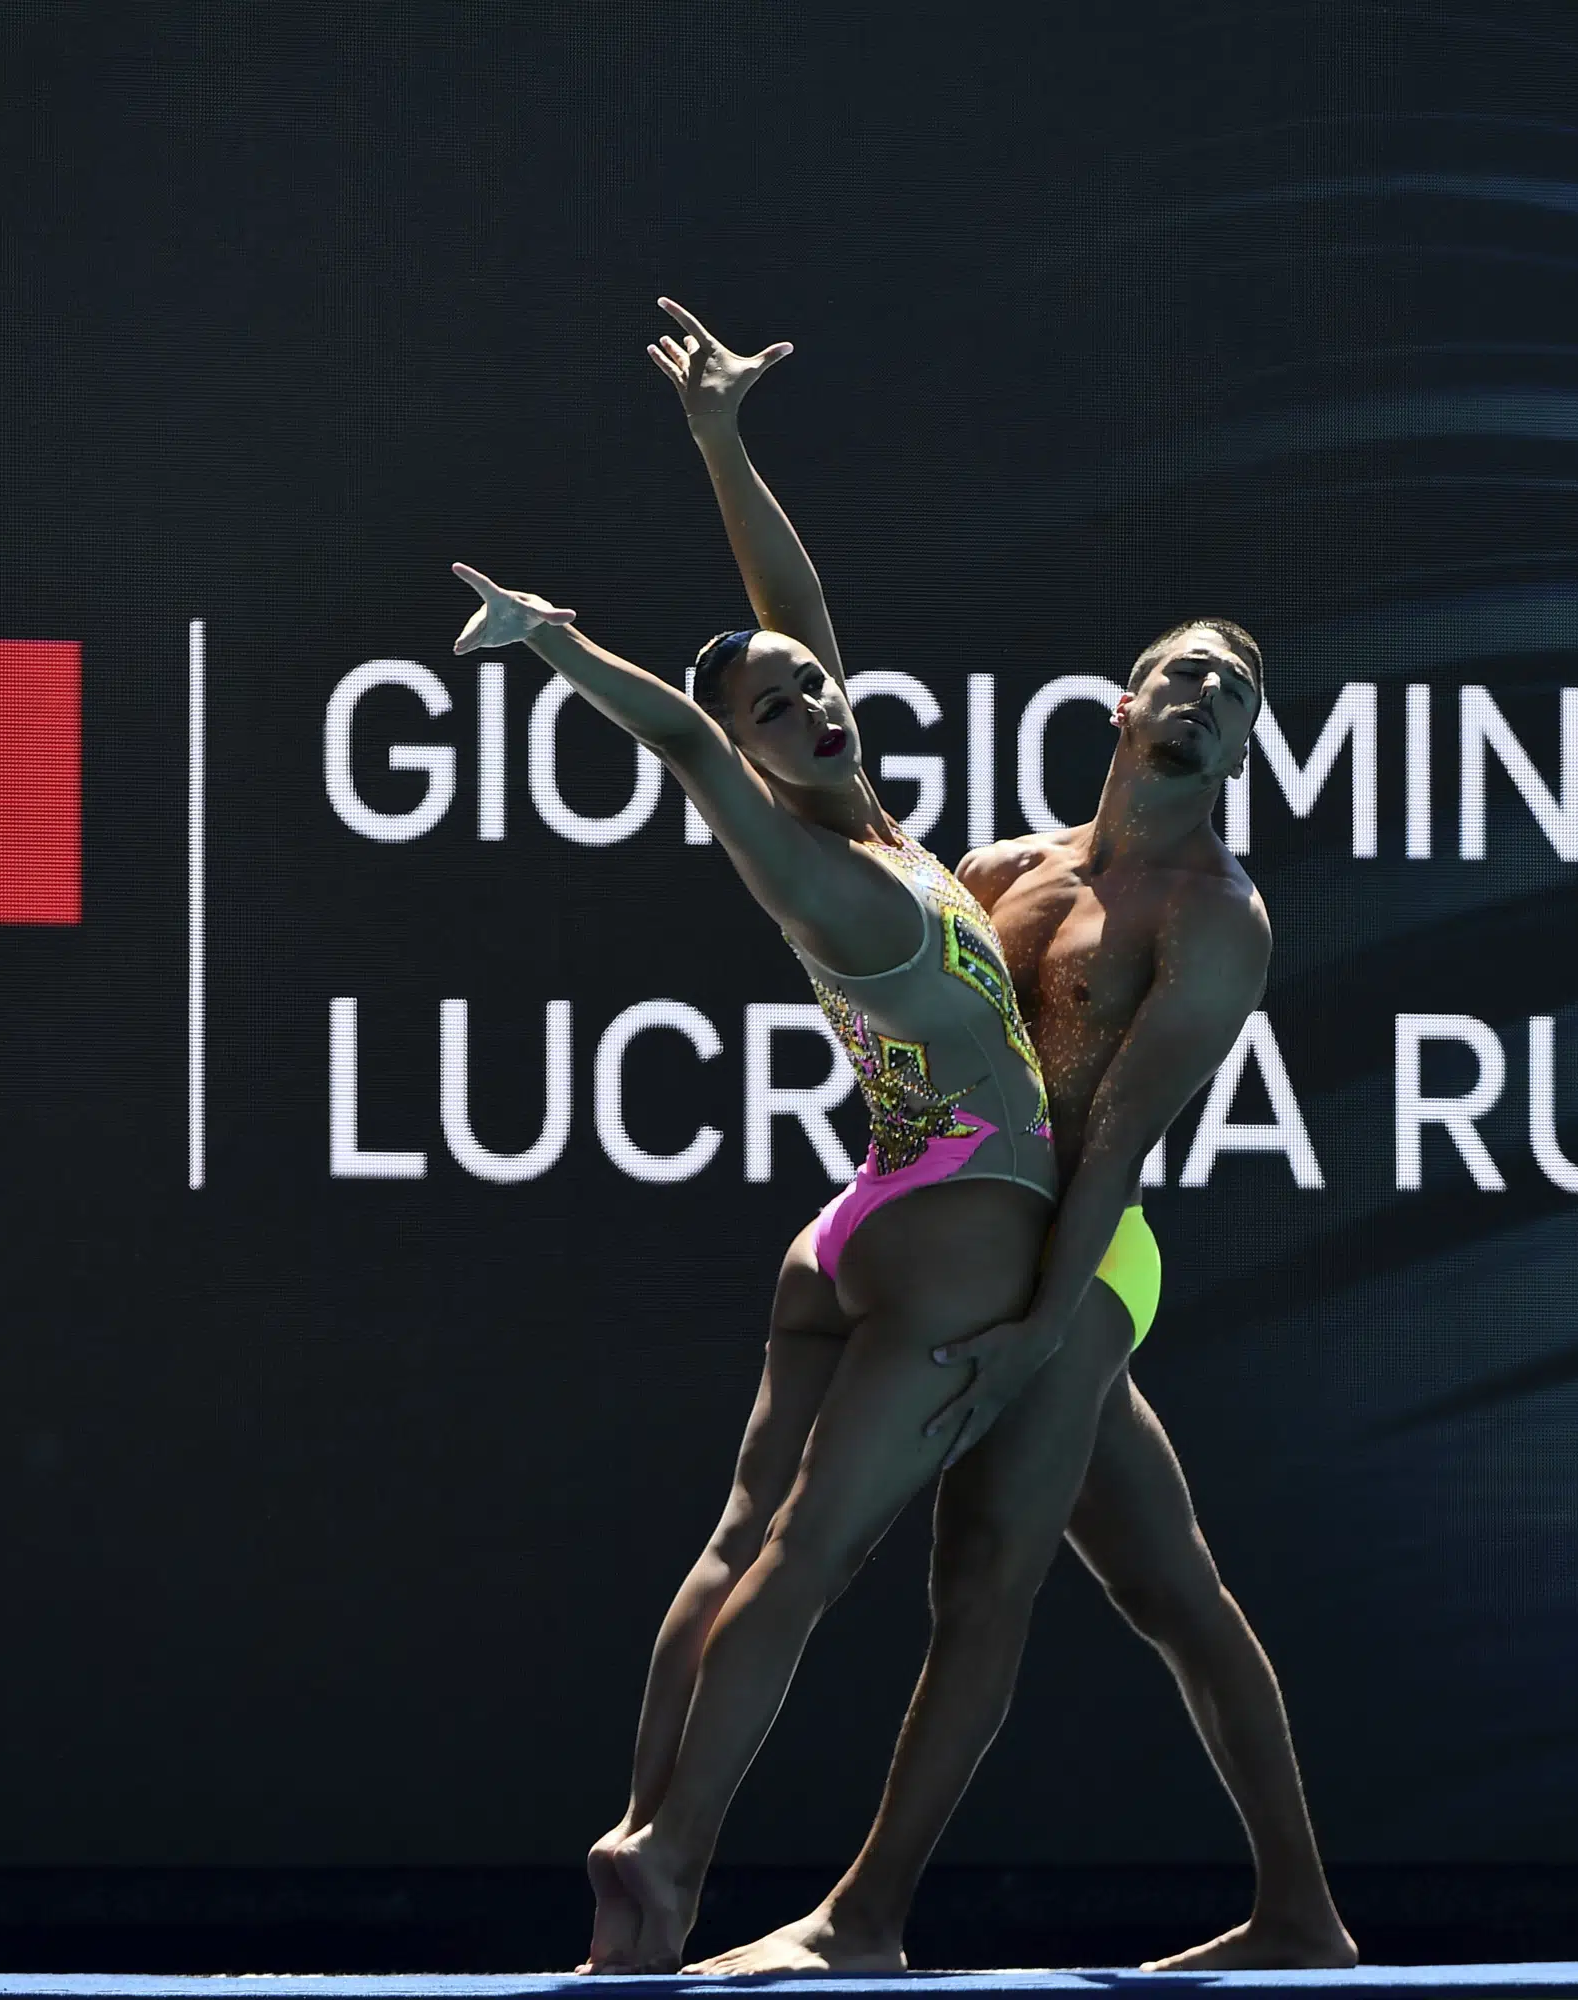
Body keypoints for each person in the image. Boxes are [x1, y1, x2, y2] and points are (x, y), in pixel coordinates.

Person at [611, 299, 1355, 1974]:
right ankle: (1303, 1916)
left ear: (1243, 748)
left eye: (1243, 698)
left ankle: (862, 1918)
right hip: (997, 1231)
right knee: (1172, 1584)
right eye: (1194, 674)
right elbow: (801, 649)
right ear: (1124, 699)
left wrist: (1038, 1334)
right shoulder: (1010, 868)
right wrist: (726, 444)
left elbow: (1121, 1145)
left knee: (983, 1582)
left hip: (1089, 1255)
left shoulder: (1218, 919)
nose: (1217, 701)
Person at [443, 549, 1067, 1974]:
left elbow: (797, 610)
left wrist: (724, 436)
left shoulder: (877, 825)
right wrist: (557, 645)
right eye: (775, 712)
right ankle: (669, 1847)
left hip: (862, 1217)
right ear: (745, 755)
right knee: (799, 1559)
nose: (814, 704)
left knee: (742, 1543)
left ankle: (645, 1836)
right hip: (952, 1217)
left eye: (816, 688)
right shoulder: (794, 848)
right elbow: (678, 729)